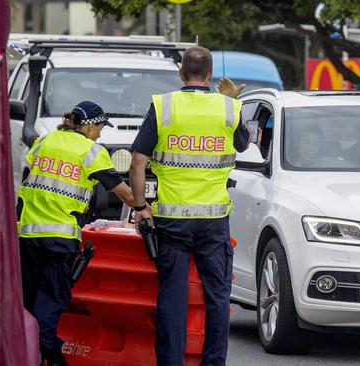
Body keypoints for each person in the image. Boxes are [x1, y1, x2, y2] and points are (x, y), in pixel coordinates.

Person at [129, 46, 250, 366]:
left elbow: (138, 162)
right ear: (210, 76)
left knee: (172, 297)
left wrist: (141, 207)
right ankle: (214, 362)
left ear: (181, 74)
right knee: (217, 297)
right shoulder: (228, 109)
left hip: (173, 220)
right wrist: (233, 101)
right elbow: (244, 144)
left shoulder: (163, 106)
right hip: (213, 220)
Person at [18, 101, 137, 366]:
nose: (101, 133)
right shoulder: (91, 151)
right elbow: (124, 194)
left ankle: (33, 354)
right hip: (59, 240)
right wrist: (146, 210)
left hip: (26, 236)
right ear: (90, 125)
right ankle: (51, 357)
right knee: (50, 304)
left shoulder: (45, 141)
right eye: (100, 128)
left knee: (27, 303)